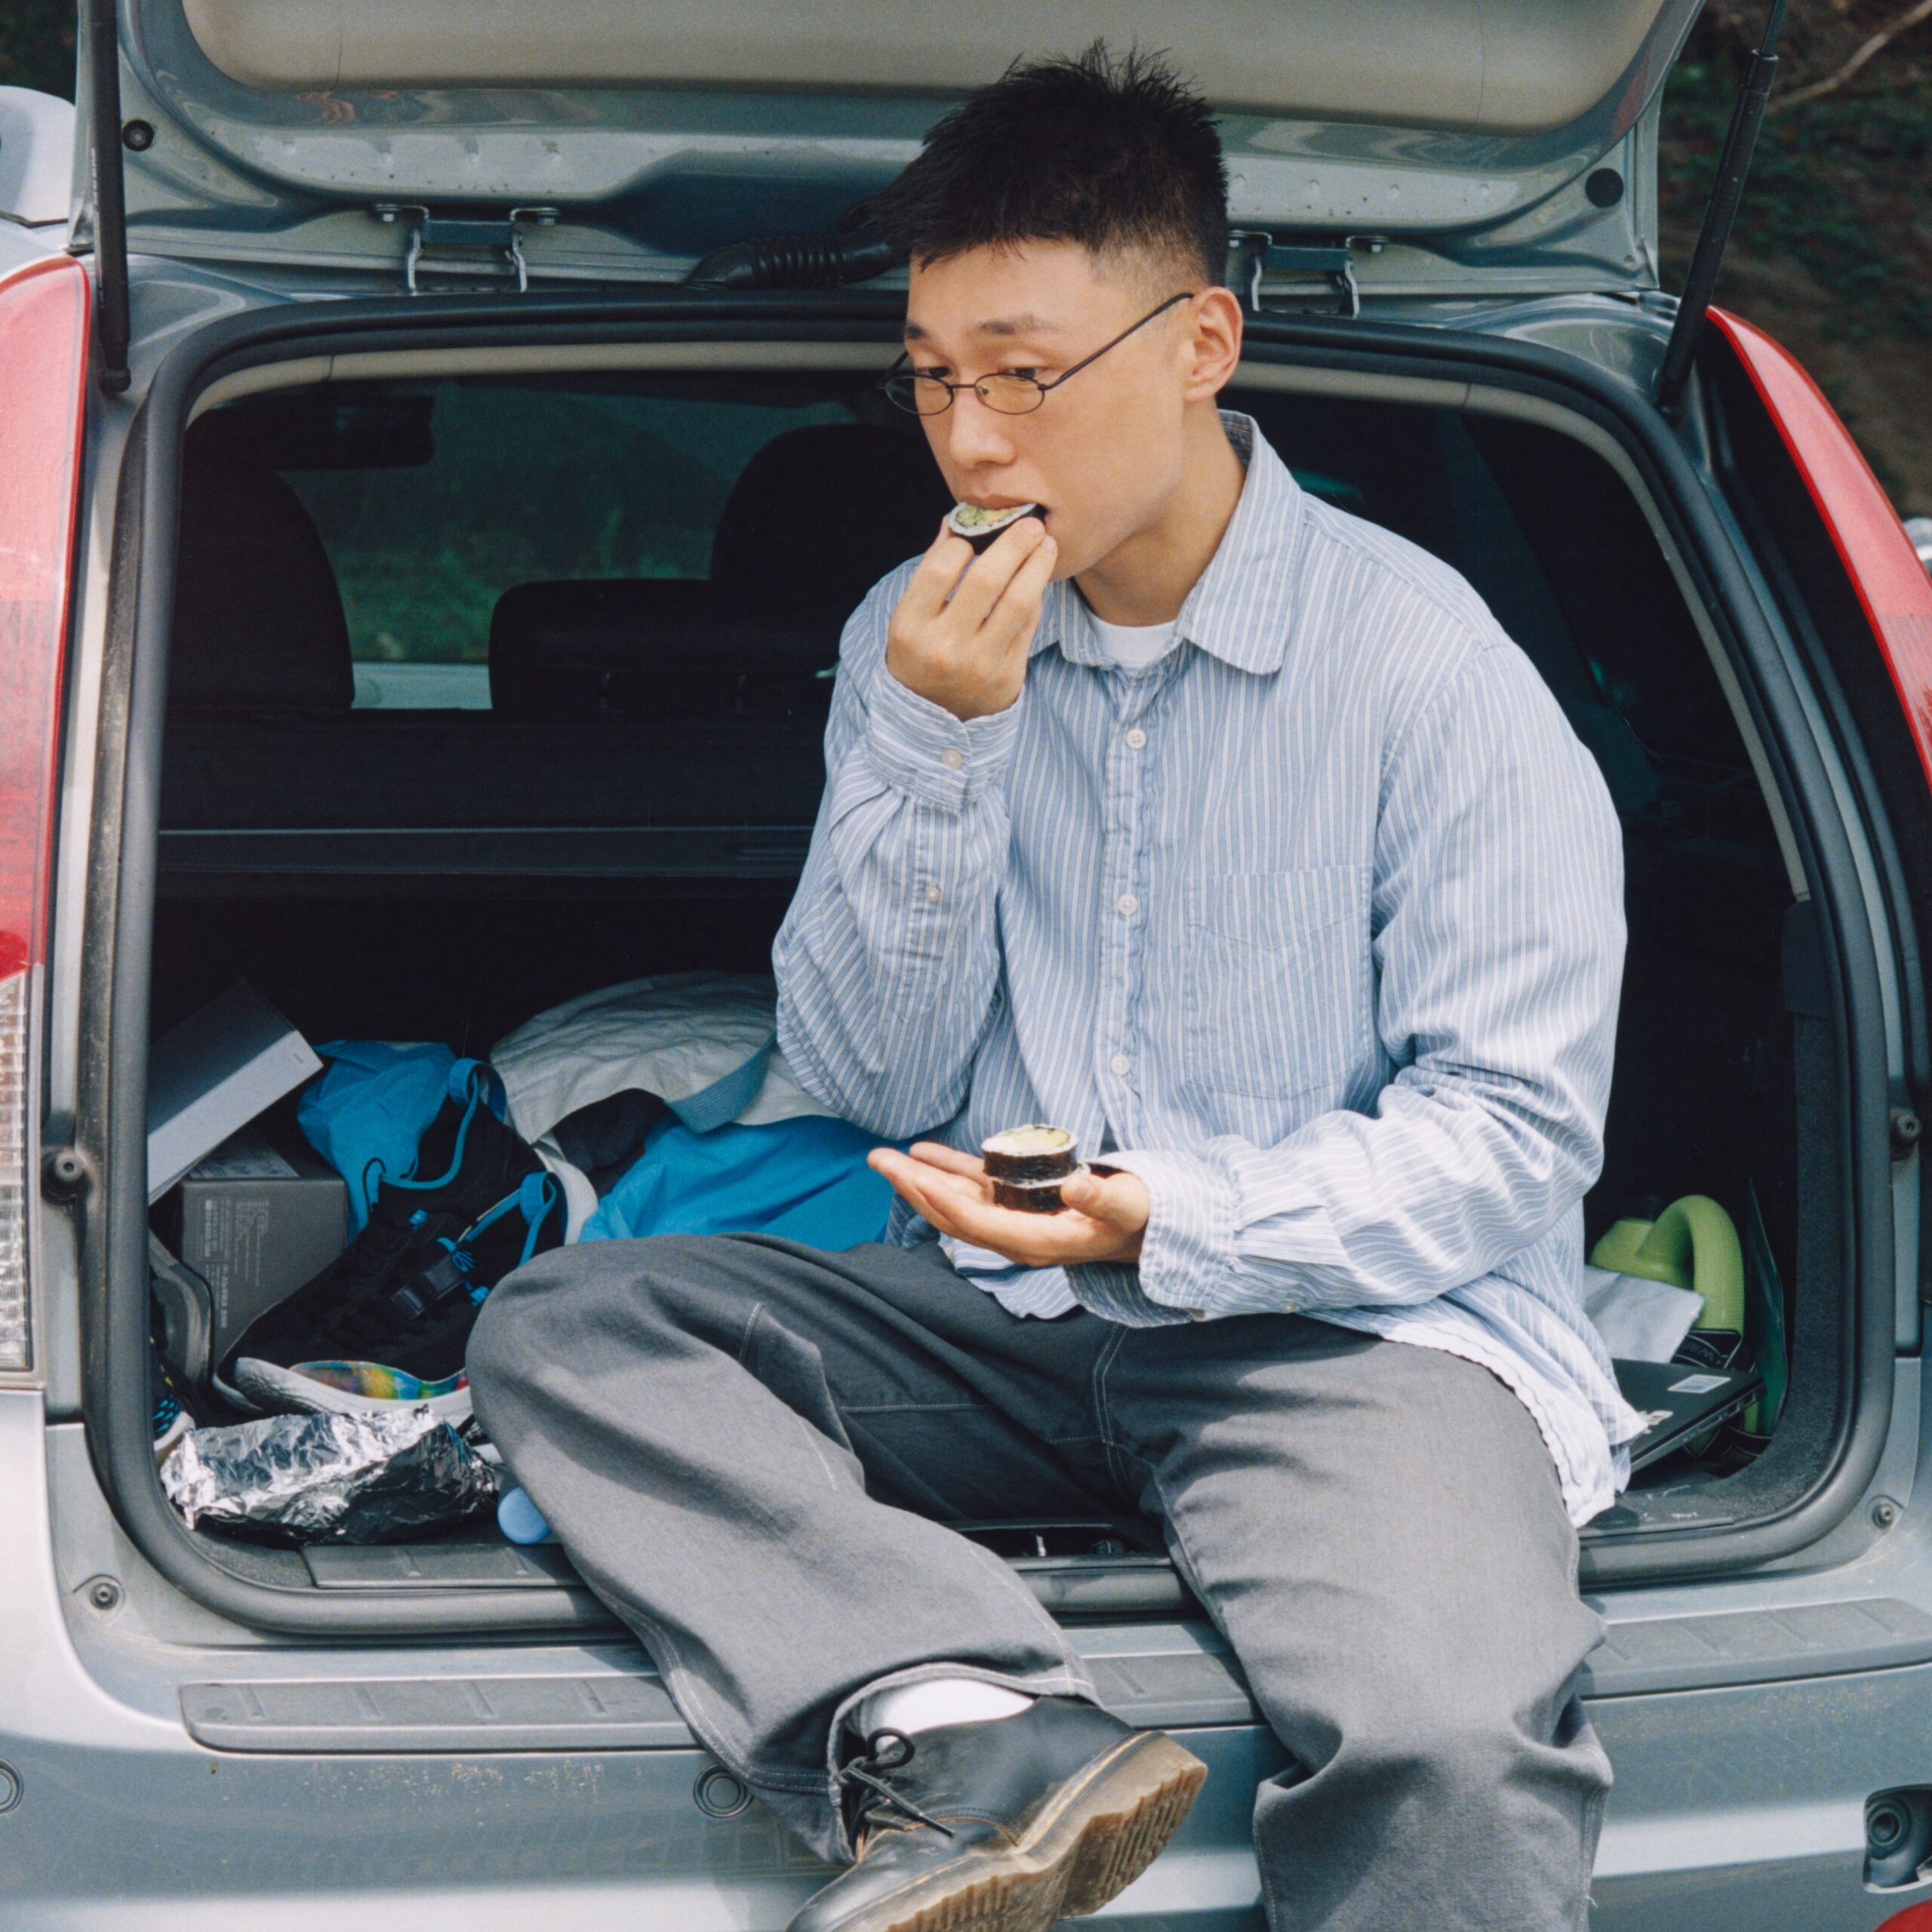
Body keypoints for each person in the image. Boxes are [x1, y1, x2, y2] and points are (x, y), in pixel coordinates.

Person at [470, 44, 1644, 1932]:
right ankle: (965, 1724)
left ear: (1199, 343)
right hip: (997, 1305)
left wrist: (1162, 1210)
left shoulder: (1429, 672)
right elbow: (859, 1067)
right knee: (569, 1326)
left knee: (1445, 1748)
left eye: (1026, 371)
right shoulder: (906, 634)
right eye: (933, 377)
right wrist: (942, 740)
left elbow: (1507, 1142)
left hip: (1348, 1338)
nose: (970, 436)